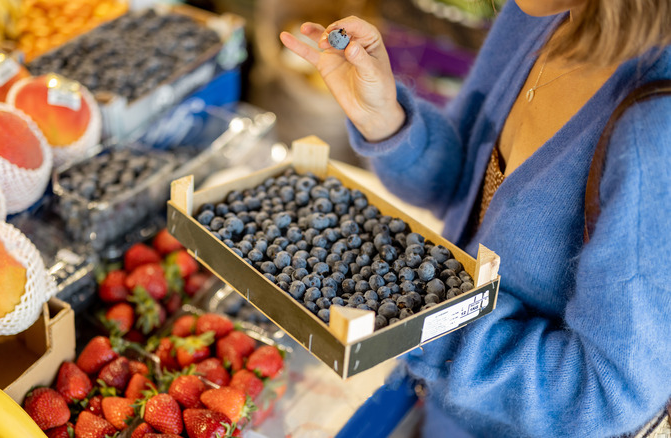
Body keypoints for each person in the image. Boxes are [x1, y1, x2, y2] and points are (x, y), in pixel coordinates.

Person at [280, 0, 671, 437]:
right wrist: (384, 116)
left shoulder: (657, 130)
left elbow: (603, 396)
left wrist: (418, 318)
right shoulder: (534, 14)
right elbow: (461, 186)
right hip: (442, 411)